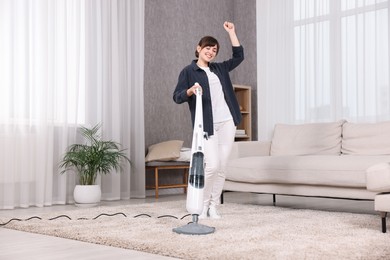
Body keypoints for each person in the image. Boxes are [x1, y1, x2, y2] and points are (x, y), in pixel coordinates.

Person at [173, 21, 244, 219]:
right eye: (207, 48)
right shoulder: (188, 72)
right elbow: (177, 96)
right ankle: (202, 206)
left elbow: (239, 56)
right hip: (207, 126)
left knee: (222, 167)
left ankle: (214, 205)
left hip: (227, 121)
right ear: (198, 49)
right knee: (211, 166)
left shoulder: (219, 69)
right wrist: (189, 91)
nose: (211, 52)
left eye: (214, 49)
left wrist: (232, 33)